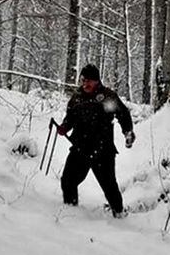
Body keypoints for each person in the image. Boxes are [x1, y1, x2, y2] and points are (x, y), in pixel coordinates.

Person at [56, 64, 135, 218]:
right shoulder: (77, 97)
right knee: (68, 180)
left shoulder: (107, 96)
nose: (85, 84)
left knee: (109, 186)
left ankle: (119, 215)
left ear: (97, 81)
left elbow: (123, 114)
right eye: (83, 80)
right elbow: (70, 117)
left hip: (103, 150)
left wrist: (128, 132)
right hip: (80, 148)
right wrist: (64, 127)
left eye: (89, 81)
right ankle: (71, 212)